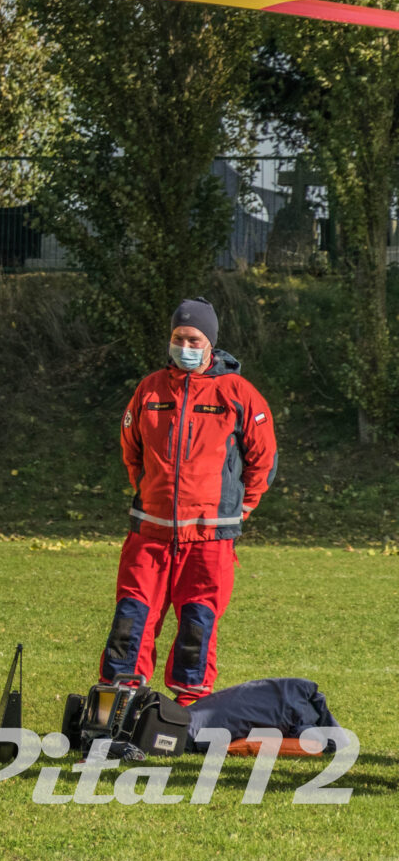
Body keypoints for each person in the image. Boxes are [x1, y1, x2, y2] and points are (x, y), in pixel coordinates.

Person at [98, 298, 276, 704]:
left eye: (194, 339)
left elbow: (263, 459)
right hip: (150, 532)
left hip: (210, 537)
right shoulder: (149, 389)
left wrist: (241, 507)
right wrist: (150, 492)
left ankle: (188, 710)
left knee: (198, 622)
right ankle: (116, 706)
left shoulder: (239, 393)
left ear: (210, 342)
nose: (184, 346)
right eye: (178, 338)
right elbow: (131, 450)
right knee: (131, 617)